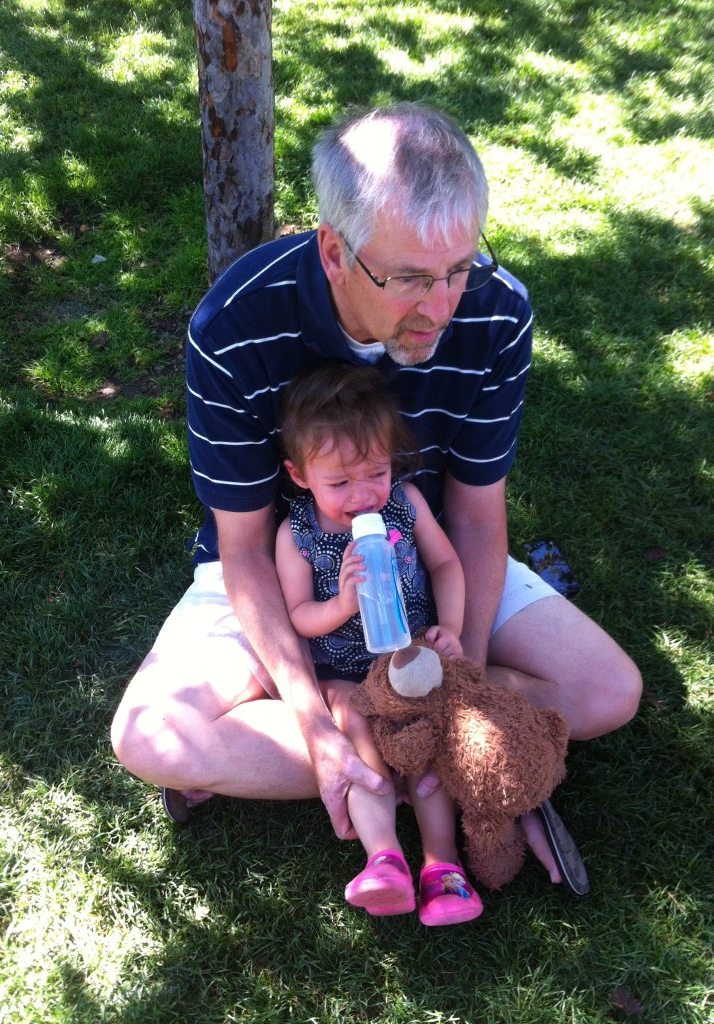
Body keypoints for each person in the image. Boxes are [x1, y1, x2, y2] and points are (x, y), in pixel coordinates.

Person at [110, 102, 642, 896]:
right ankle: (398, 748)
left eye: (458, 268)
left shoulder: (497, 310)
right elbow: (246, 546)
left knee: (610, 692)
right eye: (408, 279)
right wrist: (314, 722)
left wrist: (458, 692)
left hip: (422, 550)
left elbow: (472, 513)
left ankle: (398, 749)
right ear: (334, 249)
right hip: (286, 561)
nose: (442, 305)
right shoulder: (233, 324)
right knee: (150, 737)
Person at [276, 361, 482, 924]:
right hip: (343, 671)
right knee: (355, 727)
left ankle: (445, 869)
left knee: (427, 738)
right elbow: (296, 616)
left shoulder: (405, 505)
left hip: (408, 657)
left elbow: (446, 563)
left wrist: (453, 629)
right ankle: (384, 860)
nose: (363, 495)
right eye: (339, 483)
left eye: (375, 473)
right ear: (300, 475)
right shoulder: (297, 534)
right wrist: (341, 605)